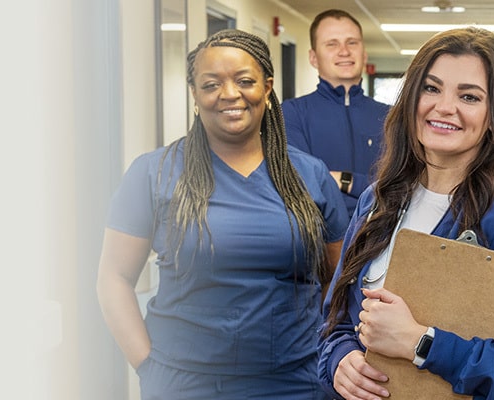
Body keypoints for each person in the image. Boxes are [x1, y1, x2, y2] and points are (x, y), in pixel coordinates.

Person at [315, 27, 494, 400]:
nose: (444, 107)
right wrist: (339, 360)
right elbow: (334, 322)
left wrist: (422, 343)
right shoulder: (378, 201)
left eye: (468, 96)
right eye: (431, 88)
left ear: (493, 113)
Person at [95, 29, 351, 399]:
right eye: (211, 84)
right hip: (185, 381)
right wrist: (148, 367)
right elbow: (114, 278)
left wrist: (324, 357)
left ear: (267, 86)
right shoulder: (155, 173)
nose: (229, 94)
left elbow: (336, 283)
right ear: (195, 95)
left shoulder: (308, 174)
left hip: (295, 381)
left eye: (244, 81)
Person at [283, 9, 391, 216]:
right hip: (318, 240)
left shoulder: (391, 117)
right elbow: (300, 182)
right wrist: (370, 187)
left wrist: (345, 180)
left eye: (352, 43)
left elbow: (402, 184)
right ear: (313, 58)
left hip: (383, 237)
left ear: (364, 53)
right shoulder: (290, 113)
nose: (344, 51)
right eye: (332, 44)